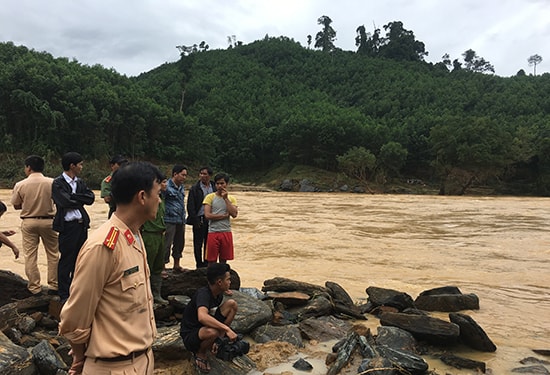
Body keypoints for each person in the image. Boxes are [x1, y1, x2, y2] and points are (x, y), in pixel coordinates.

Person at [59, 161, 162, 375]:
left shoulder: (134, 235)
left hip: (143, 360)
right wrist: (79, 356)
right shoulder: (103, 246)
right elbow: (75, 316)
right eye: (157, 193)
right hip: (112, 367)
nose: (159, 200)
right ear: (142, 197)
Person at [11, 155, 59, 295]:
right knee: (53, 254)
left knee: (30, 255)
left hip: (29, 221)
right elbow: (59, 201)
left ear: (29, 168)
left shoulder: (20, 184)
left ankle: (34, 287)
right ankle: (54, 286)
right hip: (49, 221)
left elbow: (15, 205)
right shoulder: (53, 182)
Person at [51, 152, 95, 303]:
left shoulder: (80, 182)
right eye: (80, 164)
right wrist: (78, 198)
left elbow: (90, 198)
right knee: (67, 259)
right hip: (67, 226)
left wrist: (74, 197)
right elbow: (64, 201)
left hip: (81, 225)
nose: (82, 167)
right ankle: (64, 293)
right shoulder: (58, 183)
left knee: (80, 259)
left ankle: (77, 289)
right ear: (72, 166)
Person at [180, 263, 238, 373]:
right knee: (213, 331)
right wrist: (227, 329)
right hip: (191, 334)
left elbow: (222, 291)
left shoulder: (217, 291)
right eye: (228, 280)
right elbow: (202, 317)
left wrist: (225, 289)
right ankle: (200, 353)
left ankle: (218, 341)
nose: (230, 282)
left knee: (232, 304)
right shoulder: (203, 294)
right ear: (219, 282)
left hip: (204, 328)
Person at [141, 174, 168, 304]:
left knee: (158, 266)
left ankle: (156, 294)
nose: (165, 185)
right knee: (147, 266)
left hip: (160, 234)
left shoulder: (161, 198)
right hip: (149, 234)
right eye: (162, 182)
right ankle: (144, 295)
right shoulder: (147, 198)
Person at [203, 173, 238, 265]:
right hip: (213, 232)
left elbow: (234, 214)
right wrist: (222, 216)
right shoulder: (210, 197)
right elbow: (207, 215)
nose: (219, 186)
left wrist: (226, 199)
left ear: (226, 184)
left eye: (222, 183)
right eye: (217, 184)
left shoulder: (231, 199)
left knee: (224, 260)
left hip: (226, 231)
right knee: (211, 260)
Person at [186, 166, 216, 269]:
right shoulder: (195, 188)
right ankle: (199, 264)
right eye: (201, 174)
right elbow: (190, 205)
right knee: (198, 243)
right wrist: (194, 220)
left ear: (210, 175)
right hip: (199, 218)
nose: (202, 176)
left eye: (205, 174)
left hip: (211, 218)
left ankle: (207, 262)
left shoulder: (214, 186)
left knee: (209, 242)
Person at [164, 164, 187, 272]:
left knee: (179, 242)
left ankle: (176, 265)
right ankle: (162, 266)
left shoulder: (182, 187)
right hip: (169, 219)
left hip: (181, 218)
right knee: (166, 243)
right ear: (175, 174)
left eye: (185, 175)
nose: (184, 178)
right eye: (182, 175)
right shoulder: (166, 186)